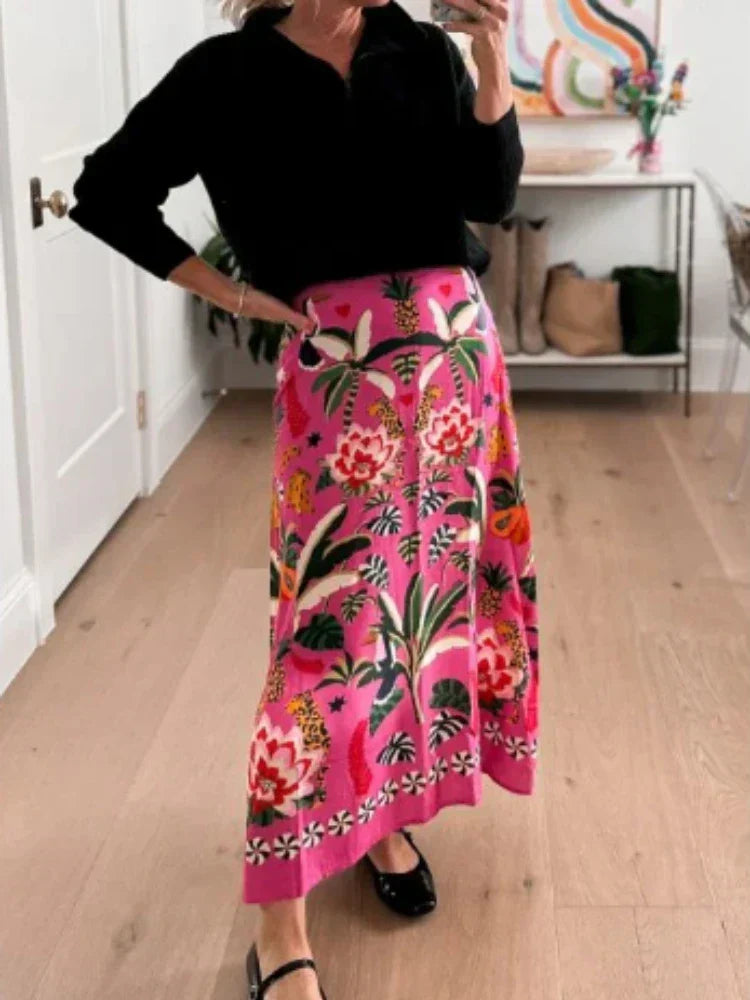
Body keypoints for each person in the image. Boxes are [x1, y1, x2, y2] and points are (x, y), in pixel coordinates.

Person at [68, 0, 539, 995]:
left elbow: (490, 195)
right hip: (339, 383)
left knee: (424, 619)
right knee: (327, 632)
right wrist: (234, 293)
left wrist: (493, 55)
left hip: (457, 367)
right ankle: (279, 924)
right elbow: (106, 192)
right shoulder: (223, 74)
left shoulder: (420, 48)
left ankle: (379, 821)